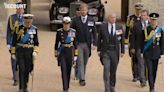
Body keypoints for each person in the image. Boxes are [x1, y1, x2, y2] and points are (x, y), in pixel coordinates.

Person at [11, 14, 39, 92]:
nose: (28, 24)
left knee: (27, 69)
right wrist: (13, 52)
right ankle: (21, 87)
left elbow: (36, 42)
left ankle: (25, 86)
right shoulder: (18, 28)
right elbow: (13, 41)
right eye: (27, 22)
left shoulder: (34, 29)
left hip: (29, 52)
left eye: (29, 22)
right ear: (24, 21)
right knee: (22, 69)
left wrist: (35, 51)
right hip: (20, 51)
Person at [97, 13, 125, 92]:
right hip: (106, 51)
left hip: (115, 52)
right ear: (108, 18)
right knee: (106, 69)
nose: (113, 19)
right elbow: (99, 39)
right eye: (112, 17)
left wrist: (122, 51)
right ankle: (107, 87)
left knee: (113, 70)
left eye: (114, 17)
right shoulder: (103, 27)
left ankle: (112, 86)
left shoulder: (119, 27)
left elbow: (122, 40)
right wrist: (98, 50)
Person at [71, 3, 97, 86]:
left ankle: (80, 74)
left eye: (85, 10)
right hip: (78, 44)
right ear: (80, 10)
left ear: (87, 11)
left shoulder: (91, 20)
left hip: (87, 44)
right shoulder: (75, 20)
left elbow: (94, 32)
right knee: (80, 61)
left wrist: (95, 43)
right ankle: (82, 79)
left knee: (85, 62)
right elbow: (72, 31)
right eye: (82, 10)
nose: (83, 11)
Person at [54, 17, 78, 92]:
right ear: (63, 24)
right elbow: (56, 44)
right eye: (65, 23)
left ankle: (67, 86)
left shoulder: (73, 32)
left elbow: (75, 44)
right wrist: (56, 54)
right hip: (62, 52)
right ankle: (65, 88)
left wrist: (75, 55)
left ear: (70, 24)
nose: (66, 25)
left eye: (67, 24)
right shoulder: (59, 32)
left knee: (68, 70)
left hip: (70, 52)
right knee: (63, 70)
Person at [142, 13, 164, 92]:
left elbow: (162, 42)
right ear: (150, 20)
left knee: (154, 71)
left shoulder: (160, 30)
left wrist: (162, 54)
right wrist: (142, 52)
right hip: (148, 53)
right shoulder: (146, 29)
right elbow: (142, 42)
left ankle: (152, 84)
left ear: (157, 21)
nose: (153, 21)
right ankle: (151, 88)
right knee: (150, 71)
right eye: (152, 20)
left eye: (155, 20)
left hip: (156, 54)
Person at [6, 2, 24, 86]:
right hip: (14, 43)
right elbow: (9, 31)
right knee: (14, 61)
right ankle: (16, 79)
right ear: (16, 9)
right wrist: (8, 43)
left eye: (22, 8)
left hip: (24, 44)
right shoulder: (11, 18)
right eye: (19, 8)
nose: (21, 10)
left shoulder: (27, 18)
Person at [130, 9, 150, 87]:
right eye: (142, 15)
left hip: (149, 48)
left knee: (148, 65)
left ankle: (147, 78)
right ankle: (143, 80)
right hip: (139, 48)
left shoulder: (151, 25)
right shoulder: (136, 25)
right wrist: (132, 47)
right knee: (141, 64)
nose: (143, 17)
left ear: (147, 16)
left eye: (144, 15)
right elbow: (133, 37)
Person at [125, 2, 144, 82]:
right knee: (134, 58)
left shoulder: (144, 18)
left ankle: (141, 75)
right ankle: (135, 75)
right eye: (137, 9)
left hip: (141, 41)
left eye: (140, 9)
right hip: (132, 40)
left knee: (141, 59)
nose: (138, 11)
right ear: (135, 9)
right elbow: (127, 29)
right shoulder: (131, 18)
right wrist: (126, 41)